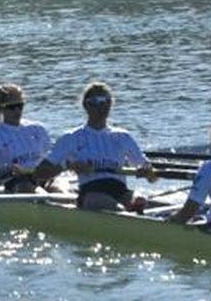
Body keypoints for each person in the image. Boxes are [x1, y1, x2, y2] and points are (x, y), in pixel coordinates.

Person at [31, 82, 155, 211]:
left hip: (120, 190)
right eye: (97, 101)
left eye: (107, 101)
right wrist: (68, 166)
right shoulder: (71, 138)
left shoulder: (123, 136)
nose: (102, 106)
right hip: (91, 192)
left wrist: (147, 172)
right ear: (86, 105)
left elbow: (152, 178)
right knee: (115, 209)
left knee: (141, 201)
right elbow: (39, 173)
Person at [0, 83, 53, 192]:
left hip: (43, 176)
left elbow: (53, 158)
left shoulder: (37, 128)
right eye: (12, 107)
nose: (17, 111)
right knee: (29, 187)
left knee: (61, 186)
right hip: (16, 181)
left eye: (20, 106)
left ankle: (71, 205)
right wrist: (1, 173)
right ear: (1, 108)